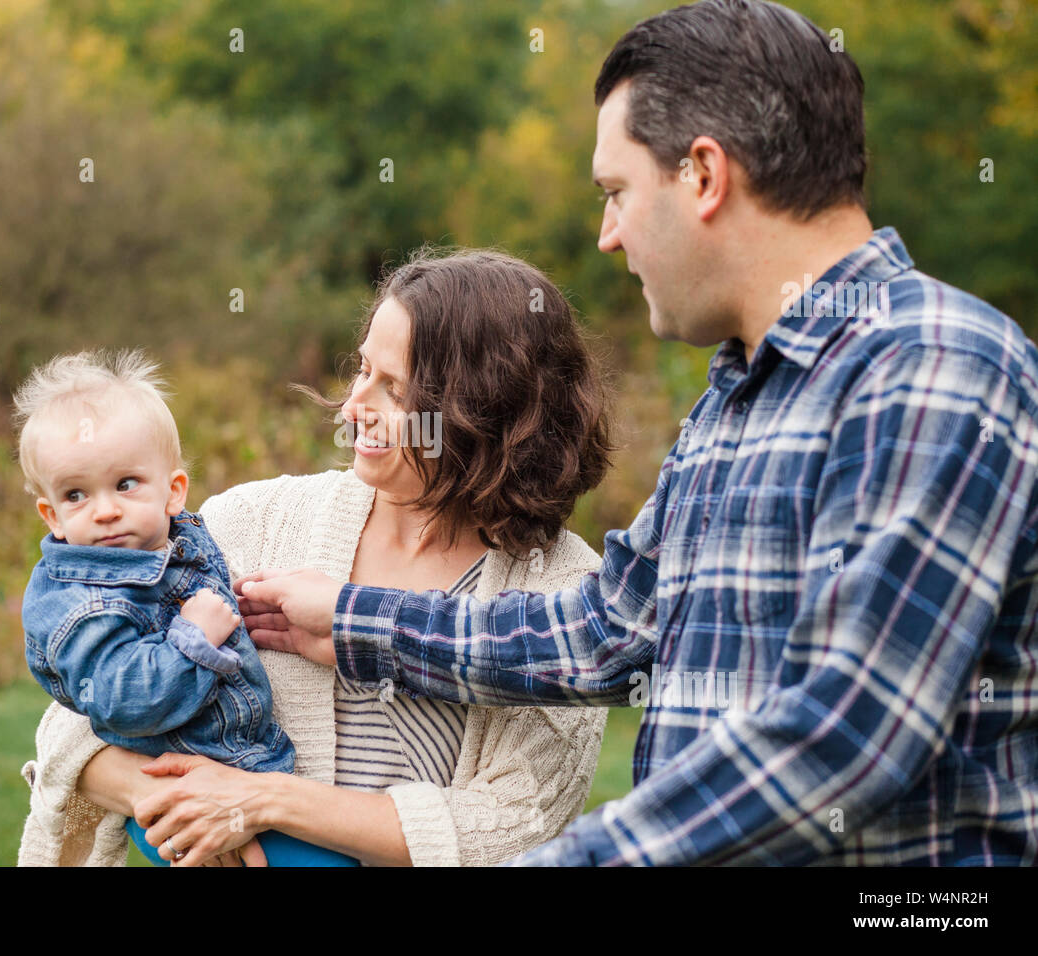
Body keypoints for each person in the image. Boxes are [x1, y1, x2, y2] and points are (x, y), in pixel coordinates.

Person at [240, 0, 1038, 866]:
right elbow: (604, 632)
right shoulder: (735, 401)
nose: (607, 234)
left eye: (617, 193)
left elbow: (843, 737)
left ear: (704, 174)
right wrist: (357, 625)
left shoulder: (930, 368)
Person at [16, 249, 614, 866]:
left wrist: (264, 802)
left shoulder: (567, 596)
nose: (355, 406)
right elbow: (74, 724)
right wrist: (182, 804)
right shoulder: (250, 522)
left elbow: (513, 824)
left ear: (485, 409)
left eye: (395, 389)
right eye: (362, 371)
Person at [13, 348, 355, 865]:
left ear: (174, 492)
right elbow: (121, 701)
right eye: (76, 494)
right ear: (52, 515)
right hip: (186, 781)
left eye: (126, 484)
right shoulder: (82, 603)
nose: (105, 510)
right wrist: (193, 636)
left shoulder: (175, 540)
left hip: (245, 768)